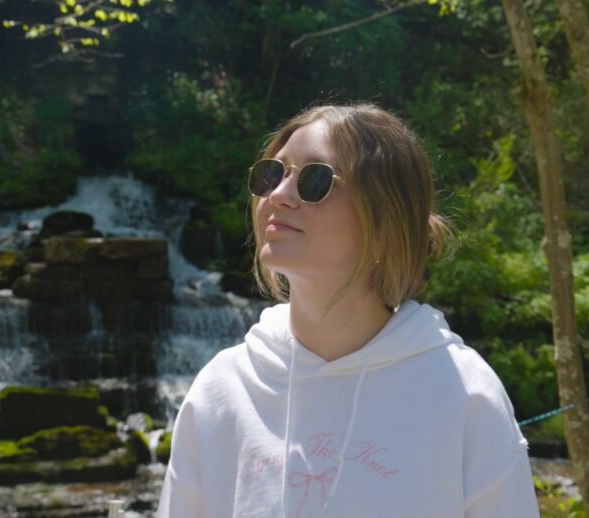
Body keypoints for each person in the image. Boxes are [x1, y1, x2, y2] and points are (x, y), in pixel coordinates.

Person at [157, 103, 540, 517]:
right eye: (273, 173)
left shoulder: (465, 393)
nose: (279, 195)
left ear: (384, 224)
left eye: (315, 180)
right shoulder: (221, 389)